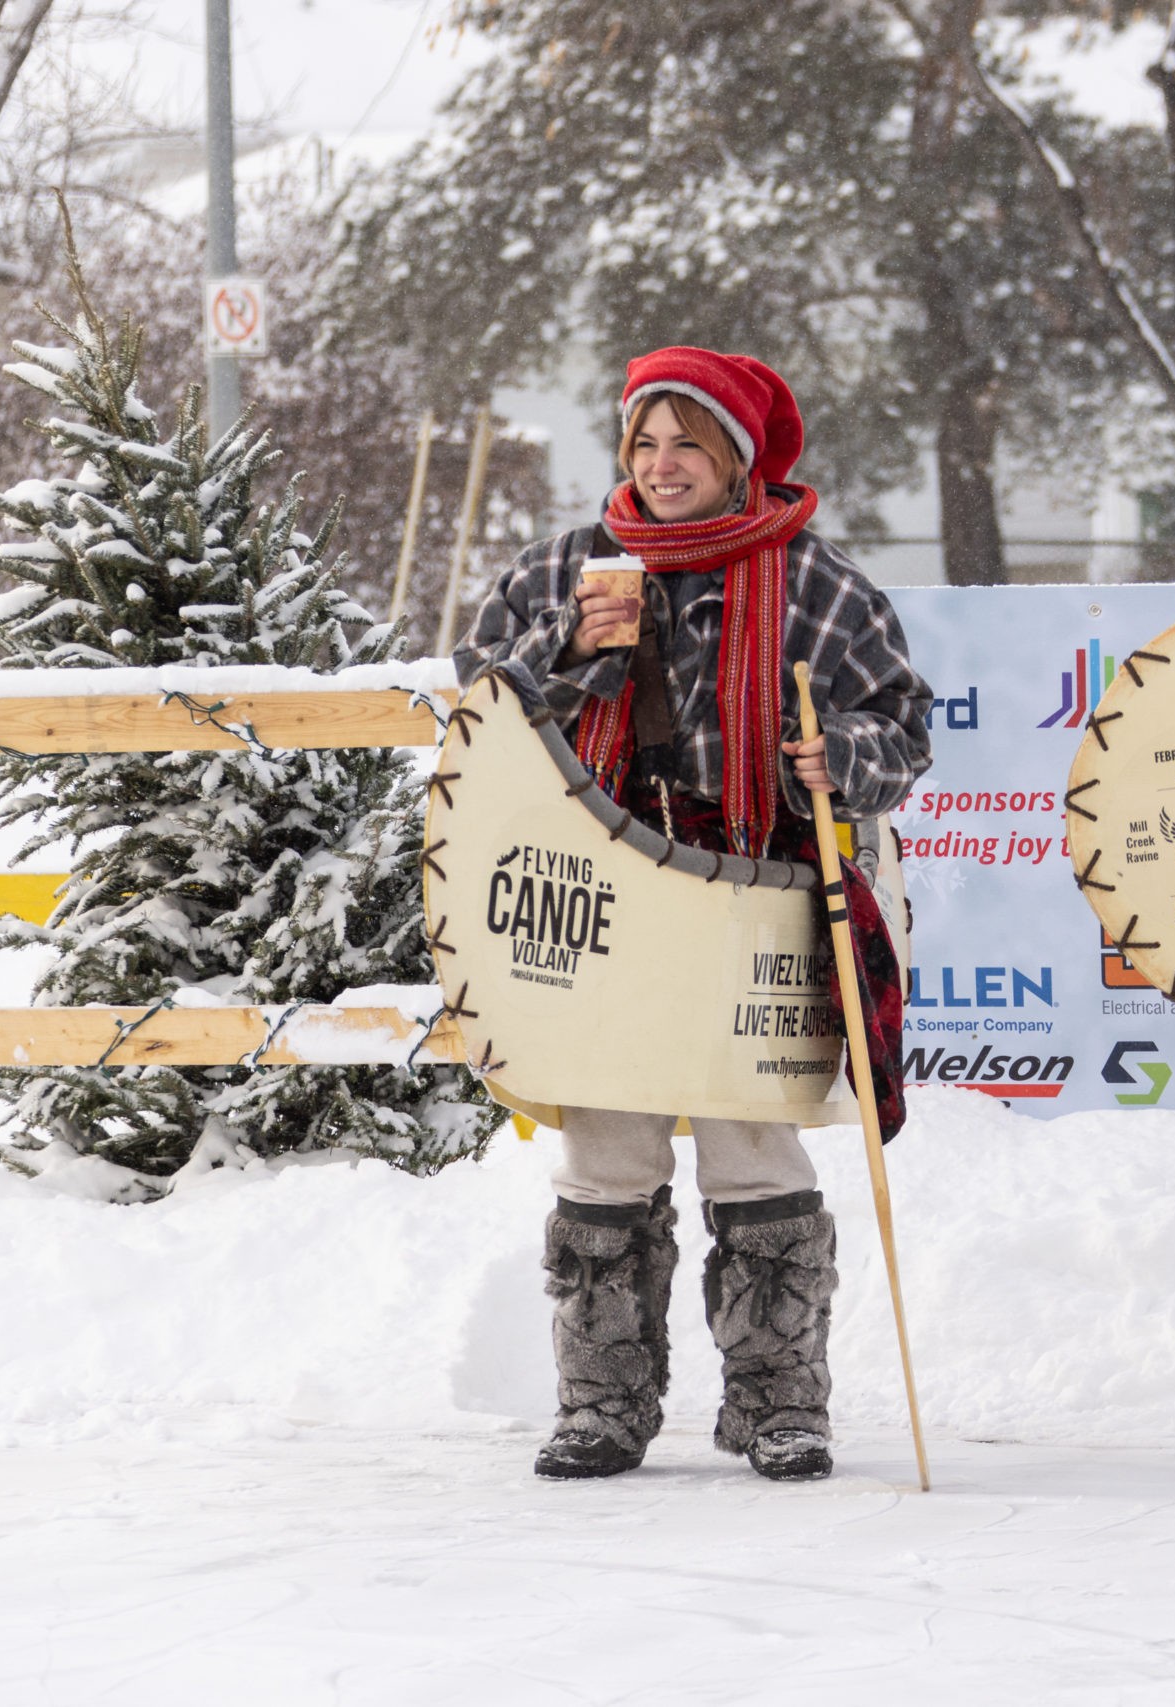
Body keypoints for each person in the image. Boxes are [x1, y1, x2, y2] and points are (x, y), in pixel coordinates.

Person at [455, 346, 932, 1483]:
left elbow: (902, 726)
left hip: (749, 890)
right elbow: (478, 710)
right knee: (607, 1152)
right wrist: (568, 649)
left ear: (736, 460)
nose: (663, 467)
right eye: (645, 444)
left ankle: (778, 1405)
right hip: (597, 894)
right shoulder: (564, 570)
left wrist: (841, 756)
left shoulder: (815, 585)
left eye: (689, 447)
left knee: (751, 1144)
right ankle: (602, 1404)